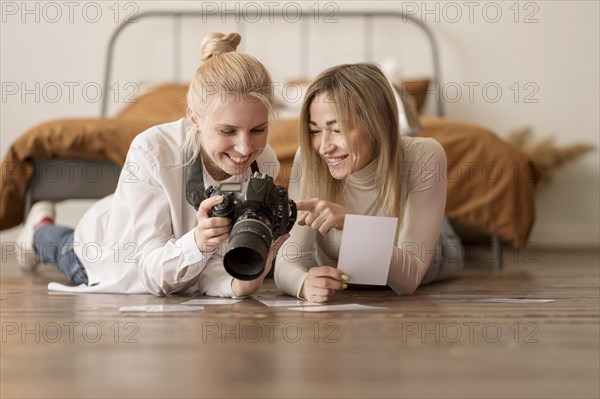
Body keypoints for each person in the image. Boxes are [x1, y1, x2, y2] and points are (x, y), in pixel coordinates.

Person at [16, 32, 288, 297]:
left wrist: (238, 285)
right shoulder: (151, 150)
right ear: (194, 119)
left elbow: (212, 267)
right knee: (61, 246)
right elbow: (149, 272)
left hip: (176, 260)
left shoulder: (264, 162)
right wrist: (197, 243)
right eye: (227, 131)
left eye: (258, 130)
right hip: (111, 255)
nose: (245, 149)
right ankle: (38, 227)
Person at [274, 63, 464, 303]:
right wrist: (302, 284)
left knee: (443, 238)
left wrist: (353, 225)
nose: (324, 147)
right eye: (314, 131)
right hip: (355, 250)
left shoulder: (425, 154)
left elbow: (407, 280)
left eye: (337, 129)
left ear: (376, 123)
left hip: (433, 248)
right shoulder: (309, 157)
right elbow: (287, 263)